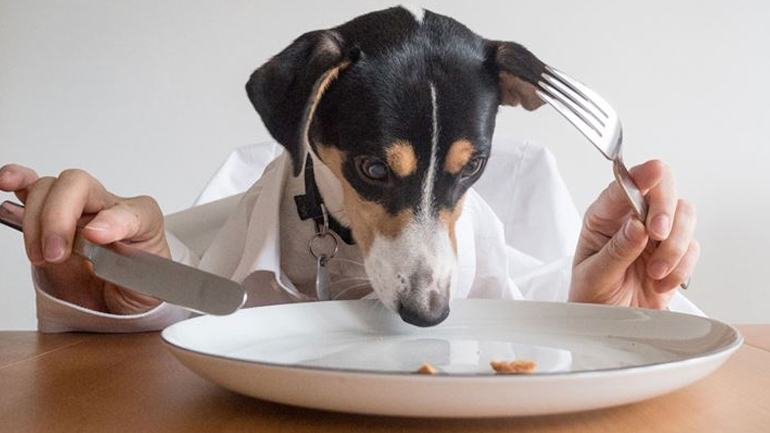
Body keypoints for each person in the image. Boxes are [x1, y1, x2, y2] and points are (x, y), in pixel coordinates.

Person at [0, 136, 700, 333]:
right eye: (374, 171)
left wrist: (605, 323)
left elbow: (536, 315)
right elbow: (162, 343)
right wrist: (115, 302)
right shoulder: (218, 239)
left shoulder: (513, 220)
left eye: (461, 175)